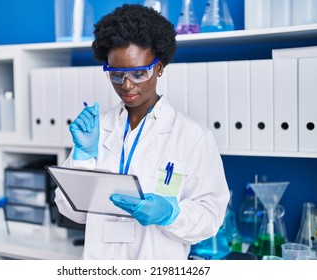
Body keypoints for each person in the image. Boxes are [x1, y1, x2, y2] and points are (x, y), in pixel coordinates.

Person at [54, 4, 230, 260]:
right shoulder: (97, 129)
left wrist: (172, 214)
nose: (126, 85)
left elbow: (211, 217)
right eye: (116, 74)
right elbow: (70, 210)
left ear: (159, 67)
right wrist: (82, 156)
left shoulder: (192, 136)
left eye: (139, 73)